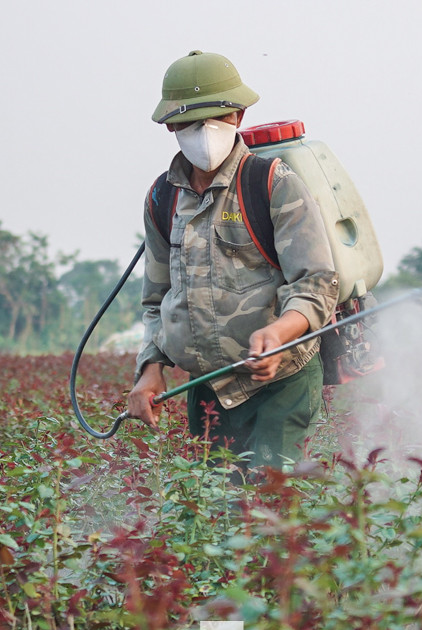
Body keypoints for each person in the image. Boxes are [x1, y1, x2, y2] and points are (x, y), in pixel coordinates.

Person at [127, 50, 338, 475]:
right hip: (208, 388)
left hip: (280, 381)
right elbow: (157, 299)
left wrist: (280, 332)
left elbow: (315, 283)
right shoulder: (162, 199)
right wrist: (150, 371)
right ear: (170, 125)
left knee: (269, 503)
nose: (204, 132)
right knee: (216, 514)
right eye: (189, 123)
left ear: (238, 116)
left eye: (217, 118)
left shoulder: (271, 183)